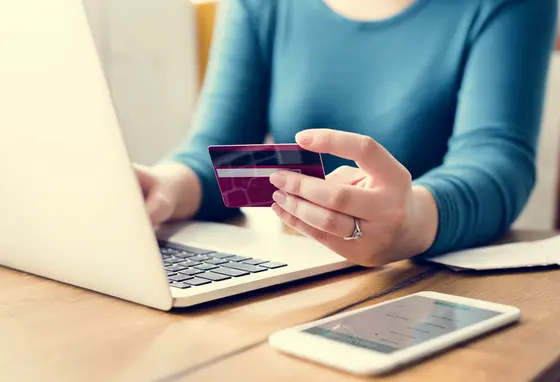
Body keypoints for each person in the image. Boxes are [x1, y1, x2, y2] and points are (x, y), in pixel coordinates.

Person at [135, 0, 557, 266]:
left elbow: (497, 160)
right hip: (291, 277)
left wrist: (410, 220)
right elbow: (224, 160)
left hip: (424, 283)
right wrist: (164, 185)